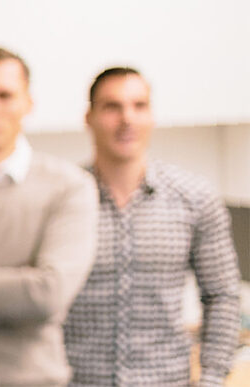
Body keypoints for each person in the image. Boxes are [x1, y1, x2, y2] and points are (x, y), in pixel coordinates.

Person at [64, 67, 240, 386]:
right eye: (112, 106)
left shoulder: (195, 197)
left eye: (139, 105)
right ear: (88, 117)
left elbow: (222, 296)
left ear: (152, 116)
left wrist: (213, 378)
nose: (127, 118)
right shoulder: (63, 199)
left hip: (165, 379)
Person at [0, 47, 99, 386]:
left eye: (4, 95)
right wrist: (10, 288)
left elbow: (48, 293)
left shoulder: (69, 187)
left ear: (28, 103)